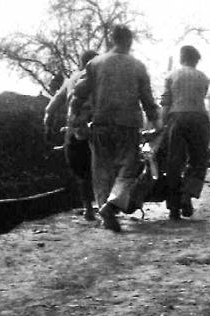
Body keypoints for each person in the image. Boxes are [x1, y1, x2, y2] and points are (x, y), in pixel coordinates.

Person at [71, 25, 161, 232]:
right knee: (127, 170)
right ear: (129, 41)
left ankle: (105, 214)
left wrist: (76, 117)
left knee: (101, 171)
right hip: (128, 125)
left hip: (101, 124)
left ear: (112, 40)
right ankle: (110, 206)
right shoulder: (137, 66)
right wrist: (155, 121)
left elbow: (79, 92)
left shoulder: (95, 63)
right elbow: (147, 98)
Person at [43, 49, 98, 221]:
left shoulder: (71, 80)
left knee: (81, 170)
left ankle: (88, 208)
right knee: (102, 166)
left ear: (81, 63)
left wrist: (48, 127)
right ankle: (106, 205)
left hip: (75, 128)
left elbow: (51, 108)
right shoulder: (101, 79)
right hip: (97, 127)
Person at [160, 45, 210, 220]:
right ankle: (187, 195)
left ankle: (174, 208)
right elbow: (202, 95)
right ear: (196, 60)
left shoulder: (171, 76)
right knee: (199, 160)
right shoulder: (203, 77)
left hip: (177, 117)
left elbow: (166, 102)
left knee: (174, 162)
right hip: (199, 118)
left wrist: (162, 125)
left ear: (181, 58)